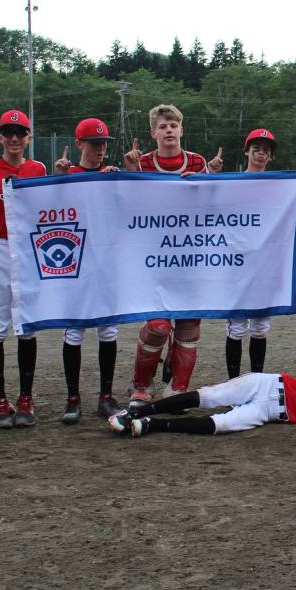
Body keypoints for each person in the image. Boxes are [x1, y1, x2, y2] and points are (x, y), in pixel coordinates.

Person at [122, 104, 208, 402]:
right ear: (153, 133)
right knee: (158, 326)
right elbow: (128, 208)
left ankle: (177, 390)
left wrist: (207, 183)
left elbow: (212, 206)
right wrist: (130, 175)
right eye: (163, 126)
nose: (169, 130)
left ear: (181, 130)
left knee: (188, 325)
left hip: (190, 257)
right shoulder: (142, 163)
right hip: (154, 258)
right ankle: (141, 385)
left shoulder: (197, 162)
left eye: (173, 125)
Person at [107, 347, 296, 437]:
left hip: (272, 412)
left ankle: (151, 425)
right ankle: (140, 409)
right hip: (268, 384)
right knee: (210, 396)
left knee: (222, 425)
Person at [0, 110, 47, 428]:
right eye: (9, 133)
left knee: (27, 324)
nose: (15, 138)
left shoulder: (38, 169)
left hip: (29, 249)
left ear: (29, 138)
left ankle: (25, 397)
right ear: (0, 137)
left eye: (21, 133)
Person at [52, 118, 123, 423]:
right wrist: (57, 180)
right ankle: (73, 398)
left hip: (107, 260)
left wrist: (121, 180)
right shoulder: (69, 175)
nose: (100, 150)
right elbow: (49, 211)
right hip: (76, 260)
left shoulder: (112, 175)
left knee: (108, 329)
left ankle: (105, 397)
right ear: (79, 144)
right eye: (95, 144)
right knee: (75, 329)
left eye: (104, 144)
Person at [224, 128, 278, 378]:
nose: (261, 154)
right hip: (237, 260)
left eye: (266, 151)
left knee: (260, 326)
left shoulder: (279, 184)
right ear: (247, 151)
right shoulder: (232, 180)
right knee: (237, 326)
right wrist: (207, 176)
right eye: (256, 149)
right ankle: (234, 382)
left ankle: (255, 379)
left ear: (270, 157)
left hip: (265, 260)